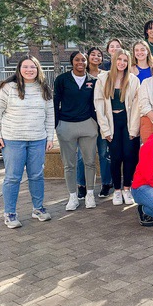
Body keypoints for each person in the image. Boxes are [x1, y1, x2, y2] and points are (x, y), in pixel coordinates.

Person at [0, 55, 54, 228]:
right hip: (13, 140)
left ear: (38, 69)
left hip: (37, 139)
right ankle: (10, 213)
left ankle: (38, 208)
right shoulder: (7, 88)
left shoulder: (44, 88)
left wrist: (50, 137)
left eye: (32, 67)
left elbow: (50, 115)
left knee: (36, 175)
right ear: (19, 69)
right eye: (25, 67)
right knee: (12, 177)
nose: (29, 70)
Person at [94, 49, 141, 206]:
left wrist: (133, 129)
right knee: (115, 158)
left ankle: (127, 188)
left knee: (129, 156)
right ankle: (117, 190)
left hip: (127, 121)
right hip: (111, 121)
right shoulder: (103, 79)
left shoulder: (133, 80)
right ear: (114, 61)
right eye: (119, 59)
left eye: (125, 60)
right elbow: (99, 104)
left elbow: (136, 106)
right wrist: (105, 130)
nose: (122, 63)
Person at [54, 51, 98, 211]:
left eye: (83, 59)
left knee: (90, 162)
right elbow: (55, 102)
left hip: (87, 124)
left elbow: (96, 103)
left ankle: (90, 194)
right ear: (72, 62)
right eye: (77, 60)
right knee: (69, 164)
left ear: (87, 62)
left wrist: (95, 123)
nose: (80, 62)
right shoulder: (62, 80)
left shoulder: (93, 81)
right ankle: (73, 196)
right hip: (66, 125)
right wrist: (57, 124)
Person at [76, 47, 112, 199]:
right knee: (82, 155)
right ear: (87, 57)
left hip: (102, 119)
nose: (96, 57)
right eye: (93, 54)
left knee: (104, 153)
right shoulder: (81, 75)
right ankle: (82, 185)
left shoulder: (106, 75)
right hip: (85, 120)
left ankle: (106, 184)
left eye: (99, 55)